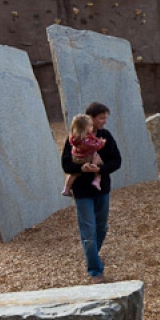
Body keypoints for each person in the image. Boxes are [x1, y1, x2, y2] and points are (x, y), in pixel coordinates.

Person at [62, 102, 121, 283]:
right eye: (101, 118)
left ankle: (93, 255)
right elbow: (66, 165)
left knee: (101, 227)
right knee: (88, 232)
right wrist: (83, 168)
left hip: (102, 189)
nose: (104, 121)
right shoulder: (73, 138)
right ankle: (95, 271)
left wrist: (100, 168)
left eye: (105, 117)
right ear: (91, 119)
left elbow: (116, 161)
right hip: (82, 192)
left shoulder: (105, 136)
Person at [61, 114, 106, 196]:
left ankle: (66, 188)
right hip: (85, 158)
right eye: (90, 126)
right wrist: (101, 143)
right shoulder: (85, 139)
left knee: (73, 174)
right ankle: (97, 180)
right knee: (99, 162)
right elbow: (94, 146)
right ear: (85, 128)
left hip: (76, 157)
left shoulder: (74, 137)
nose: (92, 127)